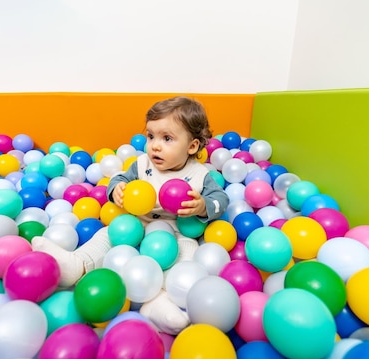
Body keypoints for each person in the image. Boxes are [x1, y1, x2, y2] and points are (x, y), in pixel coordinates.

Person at [31, 96, 229, 334]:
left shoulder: (199, 174)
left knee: (185, 261)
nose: (155, 145)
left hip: (177, 232)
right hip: (136, 224)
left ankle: (156, 303)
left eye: (167, 139)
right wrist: (117, 190)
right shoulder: (142, 164)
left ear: (192, 146)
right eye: (151, 136)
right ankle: (78, 264)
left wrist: (202, 206)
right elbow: (119, 178)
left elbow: (221, 201)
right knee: (107, 236)